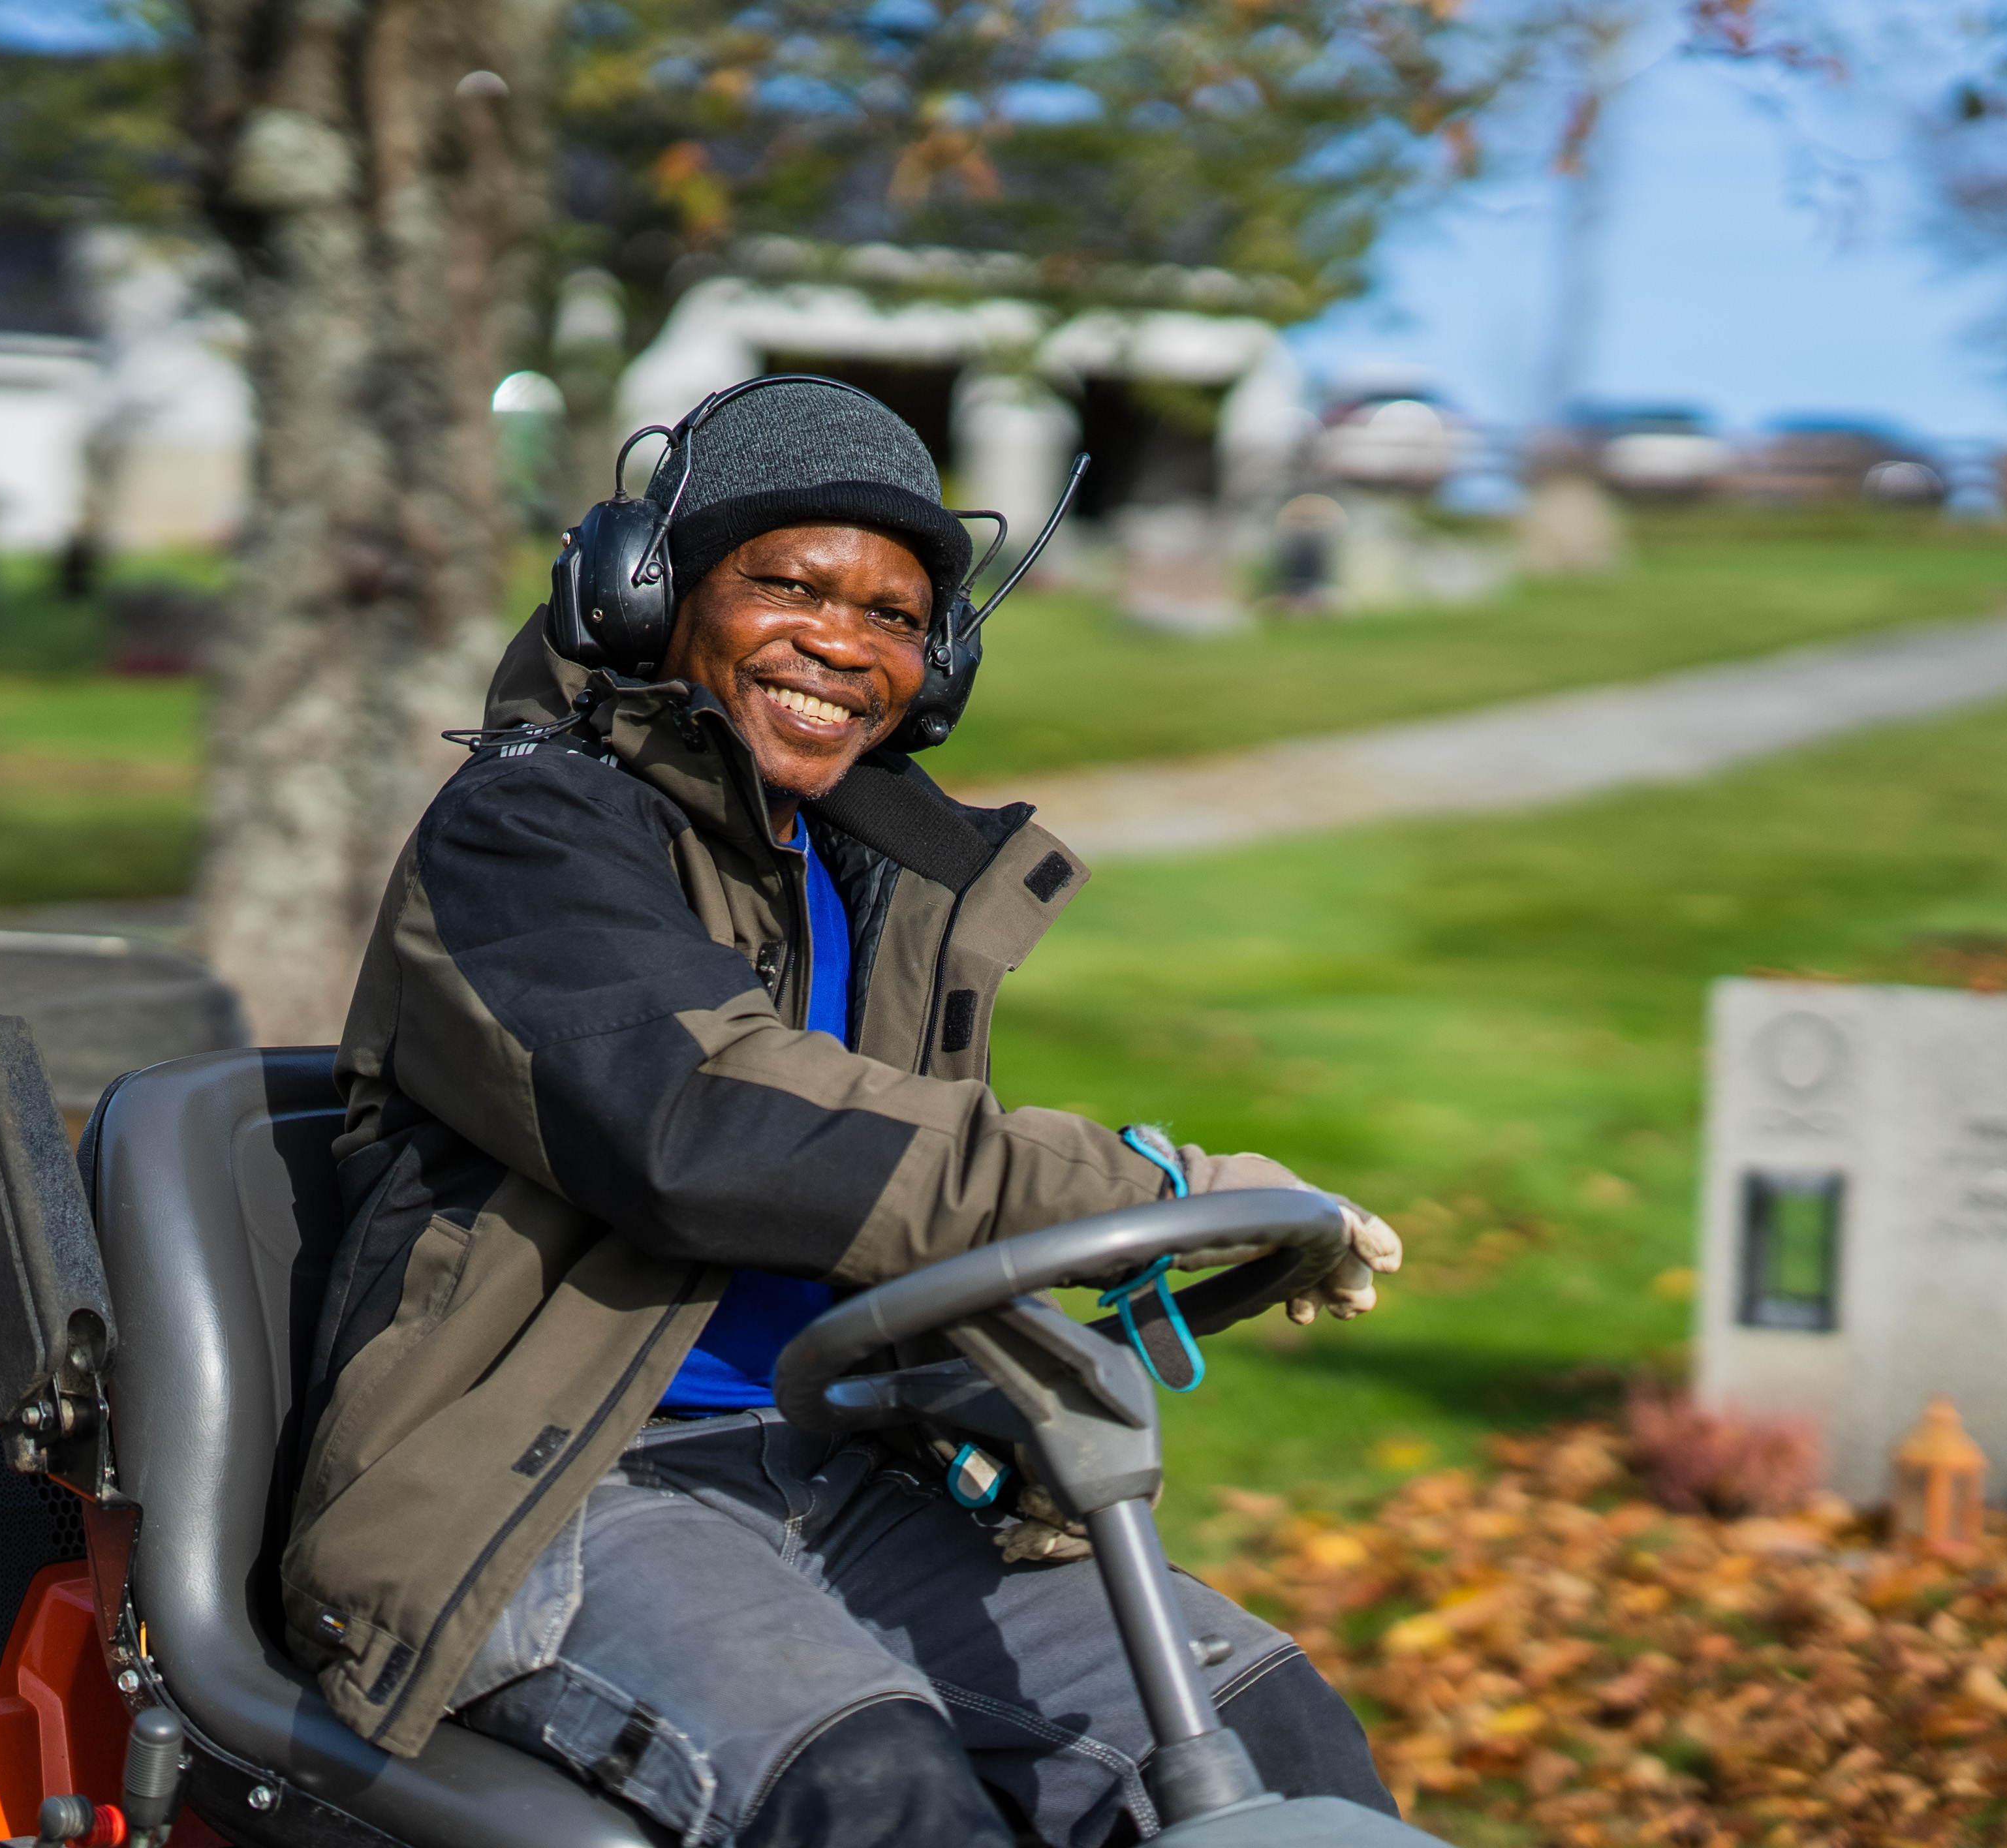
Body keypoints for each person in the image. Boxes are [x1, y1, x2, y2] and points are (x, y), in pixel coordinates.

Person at [282, 378, 1406, 1848]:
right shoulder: (526, 834)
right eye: (788, 585)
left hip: (843, 1471)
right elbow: (708, 1127)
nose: (841, 643)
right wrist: (1130, 1178)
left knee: (1270, 1734)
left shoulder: (876, 881)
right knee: (879, 1793)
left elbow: (894, 1191)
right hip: (550, 1484)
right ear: (645, 595)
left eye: (893, 616)